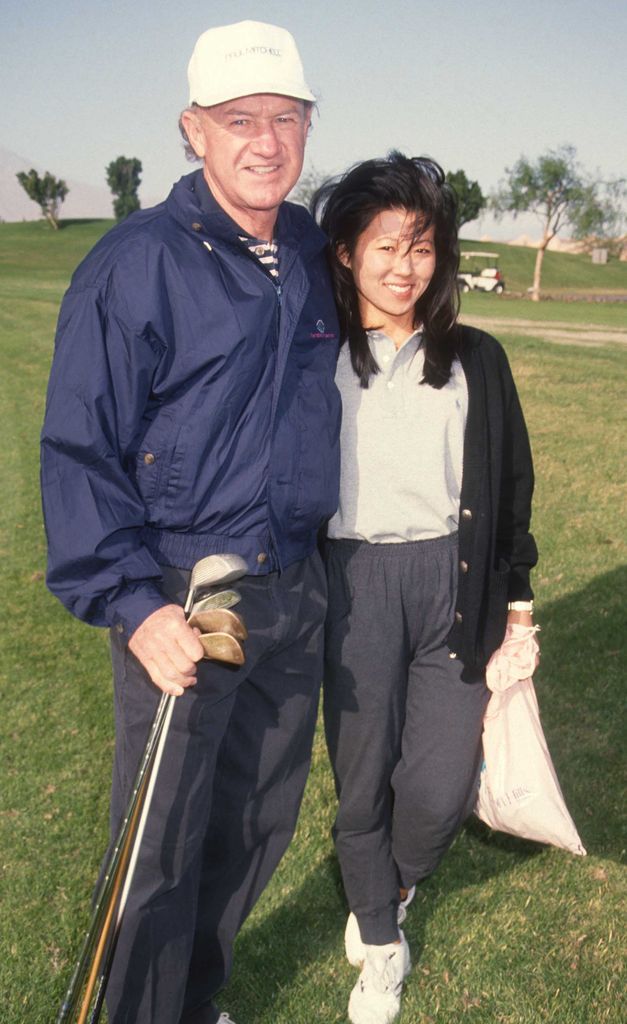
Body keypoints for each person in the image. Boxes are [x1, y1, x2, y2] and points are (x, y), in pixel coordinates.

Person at [41, 20, 341, 1024]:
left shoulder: (307, 253)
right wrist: (133, 602)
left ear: (309, 127)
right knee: (162, 842)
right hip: (187, 595)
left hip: (292, 588)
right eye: (239, 119)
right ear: (193, 130)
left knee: (254, 822)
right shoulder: (133, 265)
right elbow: (80, 450)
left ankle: (194, 999)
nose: (266, 141)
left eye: (286, 119)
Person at [312, 152, 538, 1024]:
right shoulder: (315, 352)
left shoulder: (475, 357)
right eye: (385, 246)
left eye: (422, 247)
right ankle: (379, 941)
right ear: (345, 252)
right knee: (363, 778)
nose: (405, 267)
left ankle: (390, 890)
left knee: (439, 788)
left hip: (454, 582)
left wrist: (516, 601)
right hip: (352, 581)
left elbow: (510, 483)